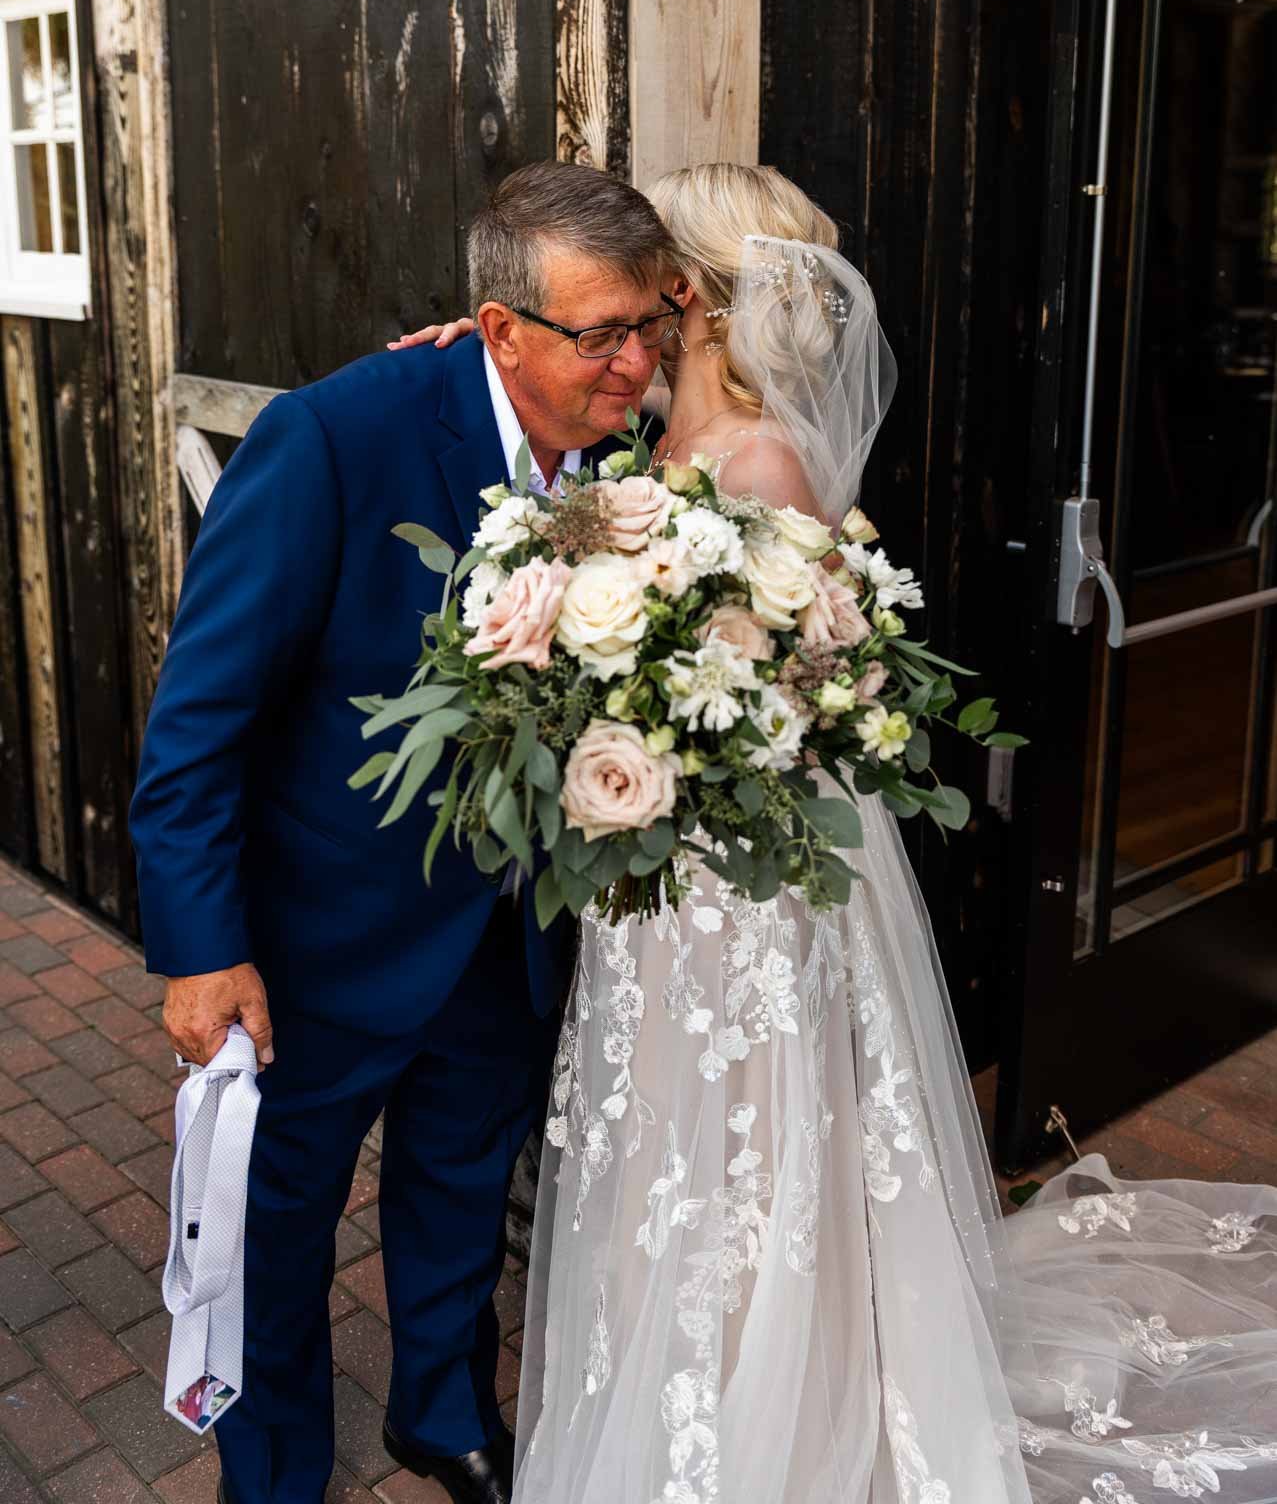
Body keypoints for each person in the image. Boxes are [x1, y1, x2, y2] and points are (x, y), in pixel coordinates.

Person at [399, 162, 1277, 1504]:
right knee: (676, 1151)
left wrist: (623, 721)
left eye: (639, 287)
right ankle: (678, 1370)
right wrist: (486, 338)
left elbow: (773, 703)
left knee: (745, 1141)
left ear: (680, 292)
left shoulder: (759, 462)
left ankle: (770, 1411)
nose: (619, 319)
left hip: (732, 875)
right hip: (660, 870)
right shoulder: (650, 445)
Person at [130, 162, 680, 1504]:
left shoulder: (630, 457)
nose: (632, 363)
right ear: (499, 329)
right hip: (321, 939)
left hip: (508, 933)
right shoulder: (334, 440)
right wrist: (201, 950)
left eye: (647, 322)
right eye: (597, 333)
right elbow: (200, 715)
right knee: (278, 1232)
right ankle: (272, 1470)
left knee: (456, 1193)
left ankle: (442, 1417)